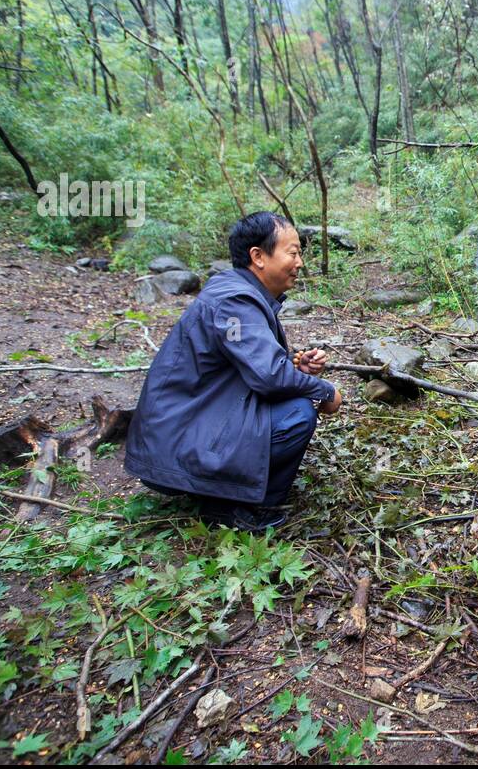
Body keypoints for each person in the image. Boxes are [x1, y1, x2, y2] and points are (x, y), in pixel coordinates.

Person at [124, 210, 342, 532]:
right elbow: (268, 376)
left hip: (181, 432)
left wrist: (294, 365)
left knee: (290, 402)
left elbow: (249, 363)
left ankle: (222, 489)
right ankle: (234, 508)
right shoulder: (234, 302)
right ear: (258, 257)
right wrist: (324, 390)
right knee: (297, 414)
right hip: (174, 446)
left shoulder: (237, 293)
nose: (299, 263)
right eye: (293, 253)